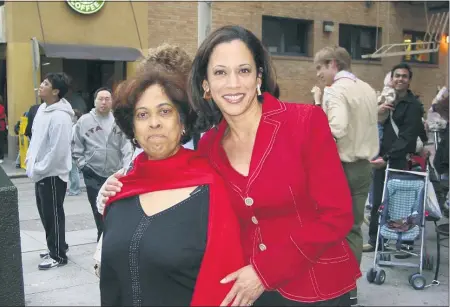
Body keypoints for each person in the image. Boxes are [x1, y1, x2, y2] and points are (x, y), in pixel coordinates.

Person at [99, 26, 360, 306]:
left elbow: (337, 215)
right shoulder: (209, 146)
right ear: (206, 85)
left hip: (317, 287)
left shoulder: (306, 122)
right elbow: (171, 175)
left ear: (259, 76)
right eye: (220, 72)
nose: (233, 83)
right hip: (252, 295)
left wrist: (265, 271)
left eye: (244, 71)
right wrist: (119, 188)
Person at [99, 44, 244, 306]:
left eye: (165, 111)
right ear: (132, 127)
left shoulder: (212, 191)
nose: (154, 122)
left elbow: (226, 285)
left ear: (183, 121)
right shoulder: (119, 192)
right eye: (142, 115)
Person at [311, 46, 379, 306]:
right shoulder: (367, 89)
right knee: (354, 229)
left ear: (333, 64)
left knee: (329, 226)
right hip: (364, 166)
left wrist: (317, 112)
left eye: (320, 67)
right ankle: (349, 288)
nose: (319, 74)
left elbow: (336, 127)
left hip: (339, 167)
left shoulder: (335, 90)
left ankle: (333, 285)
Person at [365, 63, 425, 253]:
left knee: (401, 202)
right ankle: (376, 241)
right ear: (391, 79)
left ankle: (404, 243)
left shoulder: (414, 106)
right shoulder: (386, 100)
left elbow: (407, 137)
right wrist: (380, 110)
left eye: (404, 76)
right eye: (397, 76)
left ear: (409, 80)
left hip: (399, 160)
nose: (400, 79)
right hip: (381, 157)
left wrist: (388, 157)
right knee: (377, 202)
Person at [25, 73, 74, 269]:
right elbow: (36, 140)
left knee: (53, 215)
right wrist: (32, 165)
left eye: (45, 84)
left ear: (56, 91)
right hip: (40, 173)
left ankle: (59, 256)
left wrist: (40, 168)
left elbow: (58, 150)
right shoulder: (42, 110)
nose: (40, 86)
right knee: (46, 214)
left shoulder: (61, 117)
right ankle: (55, 246)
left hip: (52, 174)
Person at [72, 87, 133, 241]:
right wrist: (82, 165)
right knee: (98, 210)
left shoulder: (118, 121)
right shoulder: (84, 121)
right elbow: (76, 145)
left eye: (107, 98)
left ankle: (112, 240)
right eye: (101, 99)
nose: (104, 102)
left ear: (112, 102)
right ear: (95, 101)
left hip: (115, 175)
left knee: (114, 211)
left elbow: (126, 147)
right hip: (93, 173)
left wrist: (126, 169)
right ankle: (102, 240)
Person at [67, 109, 82, 196]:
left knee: (73, 171)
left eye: (71, 116)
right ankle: (74, 188)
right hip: (71, 150)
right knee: (71, 170)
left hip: (73, 151)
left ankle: (75, 189)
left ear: (76, 117)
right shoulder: (73, 126)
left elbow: (73, 139)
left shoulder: (76, 127)